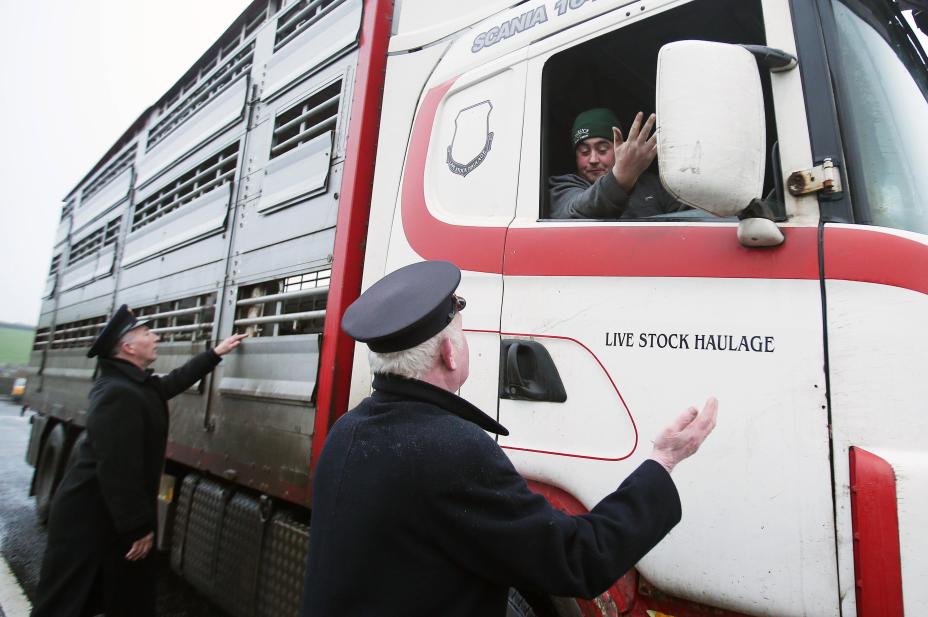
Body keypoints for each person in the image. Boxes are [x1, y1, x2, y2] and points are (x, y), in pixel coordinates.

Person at [300, 260, 717, 616]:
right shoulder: (451, 450)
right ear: (450, 353)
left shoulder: (347, 431)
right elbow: (577, 559)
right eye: (461, 333)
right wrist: (663, 461)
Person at [32, 305, 247, 617]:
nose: (156, 337)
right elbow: (117, 468)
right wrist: (138, 527)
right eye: (147, 333)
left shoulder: (134, 384)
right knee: (65, 603)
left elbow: (173, 382)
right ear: (129, 347)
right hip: (90, 520)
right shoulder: (117, 393)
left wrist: (215, 353)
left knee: (122, 598)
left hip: (106, 517)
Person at [549, 107, 687, 219]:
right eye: (584, 152)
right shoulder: (561, 187)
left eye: (602, 150)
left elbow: (691, 217)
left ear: (619, 149)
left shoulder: (652, 184)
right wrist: (620, 179)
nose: (593, 160)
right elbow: (576, 210)